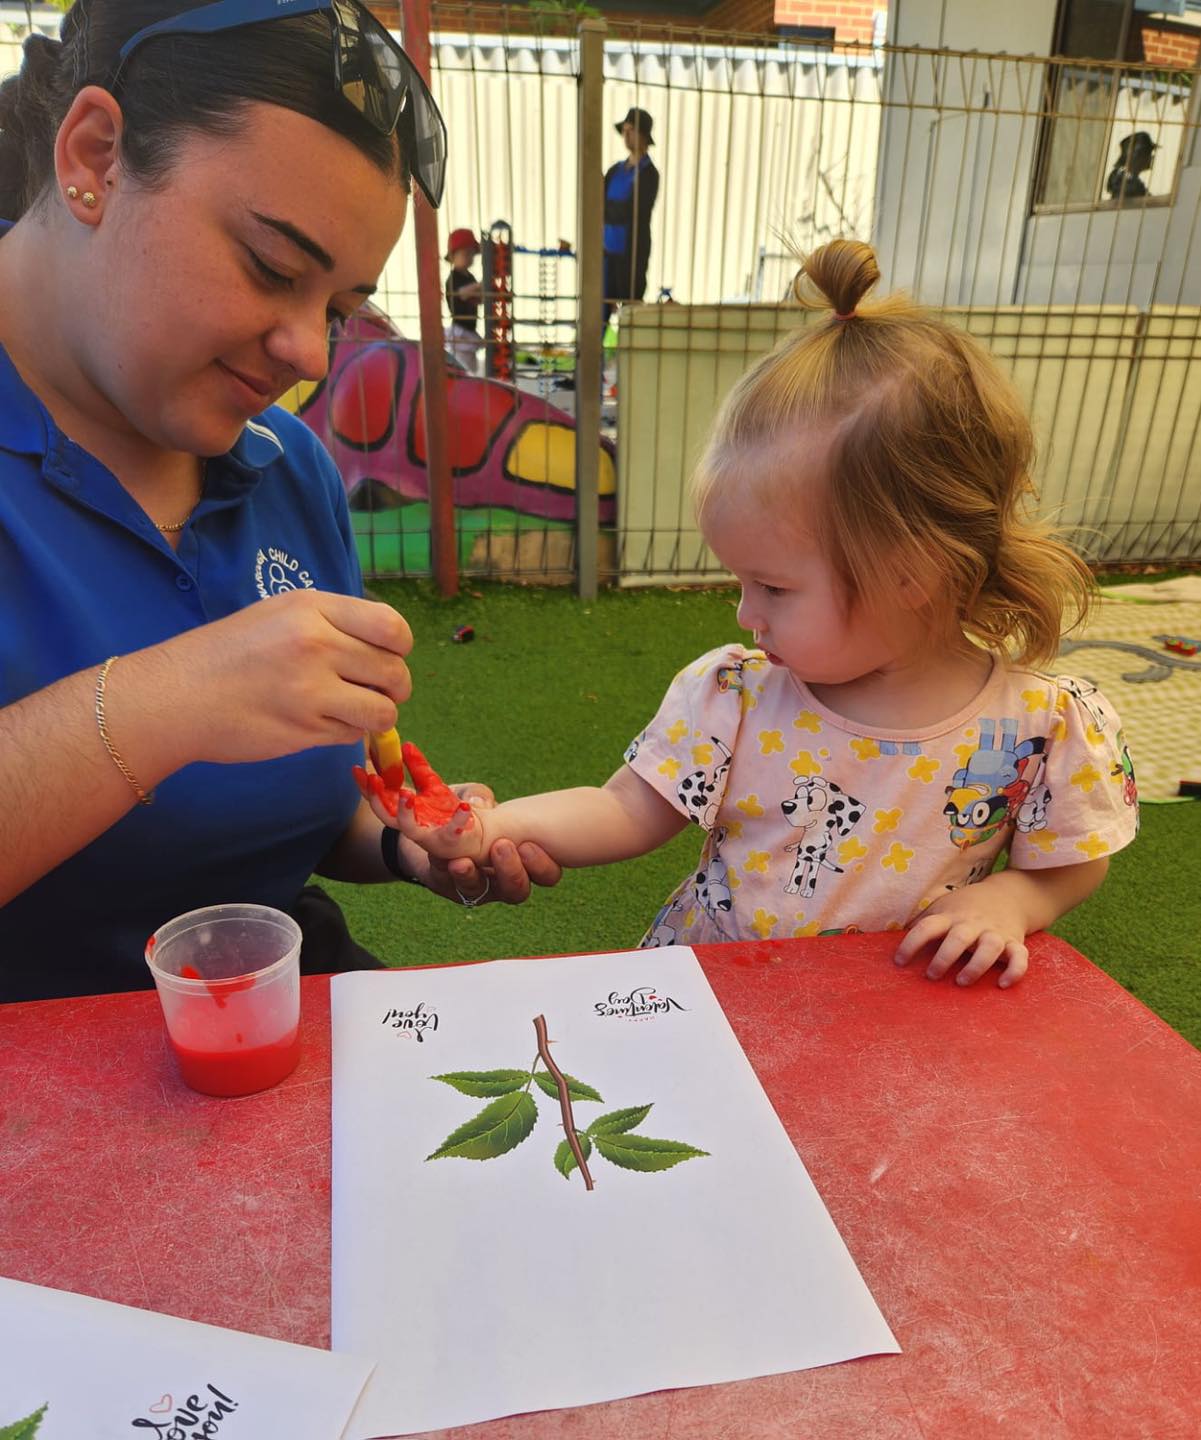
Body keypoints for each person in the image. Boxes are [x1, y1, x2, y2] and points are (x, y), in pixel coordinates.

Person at [368, 239, 1139, 990]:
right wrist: (489, 828)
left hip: (891, 1017)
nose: (745, 614)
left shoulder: (1039, 724)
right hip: (722, 995)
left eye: (773, 587)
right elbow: (623, 808)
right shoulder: (735, 696)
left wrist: (1012, 900)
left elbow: (1071, 863)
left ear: (912, 572)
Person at [0, 0, 559, 1004]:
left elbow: (290, 801)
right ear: (95, 156)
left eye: (339, 309)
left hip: (264, 1029)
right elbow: (188, 707)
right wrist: (170, 699)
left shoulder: (288, 466)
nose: (310, 351)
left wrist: (398, 838)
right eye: (272, 267)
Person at [603, 107, 659, 326]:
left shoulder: (649, 173)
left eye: (631, 130)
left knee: (629, 311)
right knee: (600, 308)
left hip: (632, 254)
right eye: (624, 131)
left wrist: (611, 209)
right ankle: (599, 347)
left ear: (643, 135)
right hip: (607, 252)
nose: (626, 136)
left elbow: (637, 211)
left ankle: (626, 346)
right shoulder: (614, 171)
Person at [443, 224, 483, 375]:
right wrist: (481, 285)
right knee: (463, 369)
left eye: (472, 254)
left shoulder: (470, 277)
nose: (469, 258)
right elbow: (462, 293)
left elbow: (477, 298)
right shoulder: (453, 278)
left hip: (470, 330)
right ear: (453, 256)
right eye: (465, 254)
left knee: (472, 368)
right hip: (460, 332)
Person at [1106, 131, 1157, 201]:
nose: (1151, 157)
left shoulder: (1126, 178)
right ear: (1138, 155)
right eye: (1148, 153)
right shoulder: (1125, 182)